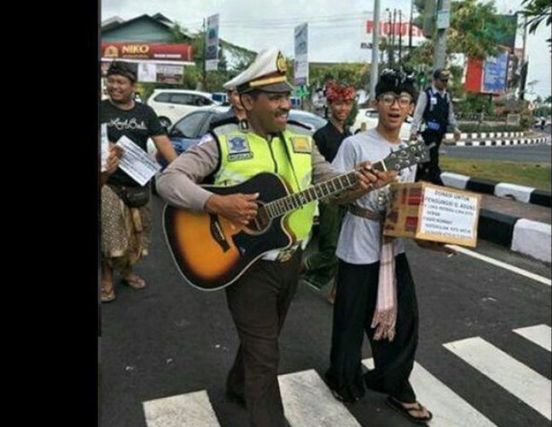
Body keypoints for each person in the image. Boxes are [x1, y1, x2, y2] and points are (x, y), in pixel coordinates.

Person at [155, 48, 396, 427]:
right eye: (275, 98)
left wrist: (359, 181)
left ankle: (238, 384)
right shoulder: (221, 142)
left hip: (291, 263)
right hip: (246, 266)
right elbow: (168, 181)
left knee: (262, 342)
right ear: (247, 101)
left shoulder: (303, 141)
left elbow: (333, 188)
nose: (286, 104)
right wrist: (218, 203)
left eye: (287, 96)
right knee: (266, 353)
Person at [325, 68, 455, 425]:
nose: (395, 106)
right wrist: (365, 185)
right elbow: (336, 198)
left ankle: (396, 385)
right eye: (387, 99)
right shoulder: (356, 144)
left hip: (392, 248)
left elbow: (410, 205)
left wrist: (433, 241)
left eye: (402, 100)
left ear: (412, 106)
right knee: (350, 322)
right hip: (357, 242)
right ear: (376, 103)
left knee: (405, 321)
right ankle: (343, 378)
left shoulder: (412, 149)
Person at [100, 61, 178, 303]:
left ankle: (128, 271)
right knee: (111, 237)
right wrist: (106, 148)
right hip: (109, 183)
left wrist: (180, 171)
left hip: (139, 184)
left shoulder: (146, 113)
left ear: (133, 86)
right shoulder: (100, 109)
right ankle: (106, 280)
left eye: (120, 82)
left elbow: (163, 143)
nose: (114, 86)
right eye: (111, 81)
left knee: (137, 237)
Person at [301, 81, 356, 302]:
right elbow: (313, 171)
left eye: (347, 104)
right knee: (330, 251)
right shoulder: (321, 135)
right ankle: (295, 270)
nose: (343, 109)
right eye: (338, 104)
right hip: (328, 199)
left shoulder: (350, 135)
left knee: (346, 246)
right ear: (330, 105)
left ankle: (336, 291)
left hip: (349, 196)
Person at [410, 68, 462, 185]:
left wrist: (455, 128)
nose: (445, 83)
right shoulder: (426, 94)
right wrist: (413, 131)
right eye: (442, 80)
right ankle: (438, 185)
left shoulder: (446, 96)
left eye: (446, 81)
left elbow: (450, 114)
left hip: (439, 134)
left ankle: (414, 180)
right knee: (433, 159)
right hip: (427, 134)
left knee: (425, 161)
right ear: (435, 80)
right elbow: (418, 114)